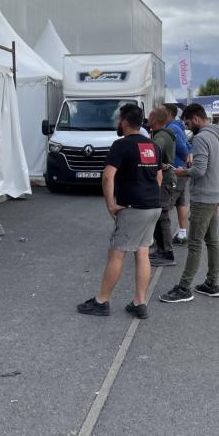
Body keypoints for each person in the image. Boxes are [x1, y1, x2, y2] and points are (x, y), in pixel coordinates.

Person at [77, 103, 162, 320]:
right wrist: (149, 197)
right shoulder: (152, 145)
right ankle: (139, 302)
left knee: (117, 253)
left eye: (119, 120)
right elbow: (159, 177)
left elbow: (107, 176)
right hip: (153, 206)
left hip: (132, 208)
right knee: (142, 251)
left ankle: (101, 301)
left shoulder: (121, 145)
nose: (118, 123)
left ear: (124, 121)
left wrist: (110, 205)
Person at [159, 103, 219, 303]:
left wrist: (182, 172)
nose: (188, 128)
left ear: (196, 118)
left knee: (195, 243)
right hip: (216, 193)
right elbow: (211, 164)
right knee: (212, 241)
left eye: (189, 123)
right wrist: (195, 164)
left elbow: (199, 171)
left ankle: (184, 287)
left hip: (203, 196)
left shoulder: (201, 137)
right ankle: (211, 283)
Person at [148, 108, 178, 267]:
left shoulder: (160, 137)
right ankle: (161, 250)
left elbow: (152, 155)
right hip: (165, 179)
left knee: (162, 217)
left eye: (150, 117)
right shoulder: (162, 134)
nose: (147, 118)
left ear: (156, 120)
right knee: (159, 217)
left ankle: (167, 253)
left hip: (163, 181)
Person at [164, 104, 191, 246]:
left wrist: (187, 157)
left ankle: (164, 240)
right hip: (181, 170)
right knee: (180, 202)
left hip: (177, 171)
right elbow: (187, 144)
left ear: (168, 113)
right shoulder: (177, 126)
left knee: (165, 206)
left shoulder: (171, 128)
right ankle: (182, 234)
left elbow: (182, 147)